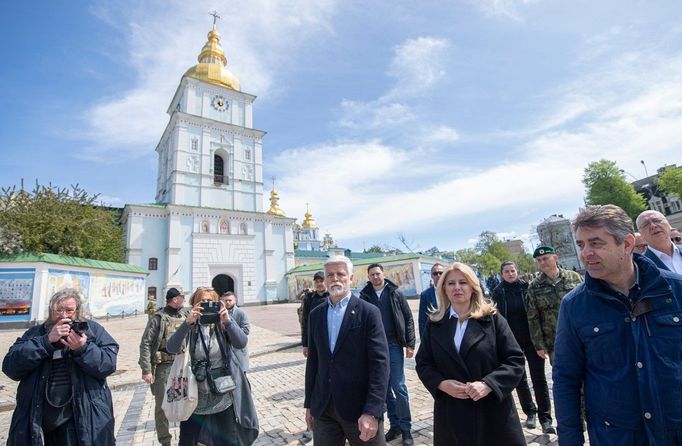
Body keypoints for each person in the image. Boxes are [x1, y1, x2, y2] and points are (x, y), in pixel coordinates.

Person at [553, 204, 682, 445]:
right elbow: (565, 379)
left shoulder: (676, 290)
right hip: (617, 437)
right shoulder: (574, 306)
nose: (585, 253)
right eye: (581, 245)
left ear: (627, 244)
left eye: (596, 243)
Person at [415, 262, 526, 445]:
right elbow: (424, 363)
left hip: (491, 410)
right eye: (451, 283)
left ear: (473, 286)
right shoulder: (435, 323)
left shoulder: (492, 319)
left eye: (463, 282)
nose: (457, 287)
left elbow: (515, 360)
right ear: (443, 288)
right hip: (452, 412)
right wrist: (441, 384)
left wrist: (488, 384)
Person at [3, 288, 119, 446]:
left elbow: (108, 365)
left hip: (83, 418)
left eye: (69, 310)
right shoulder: (35, 334)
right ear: (51, 310)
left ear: (77, 311)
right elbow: (11, 367)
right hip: (40, 420)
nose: (64, 316)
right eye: (58, 310)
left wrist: (83, 348)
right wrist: (46, 341)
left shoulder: (93, 331)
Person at [304, 255, 389, 446]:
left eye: (340, 274)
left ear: (350, 278)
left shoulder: (369, 312)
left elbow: (380, 364)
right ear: (324, 280)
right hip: (324, 408)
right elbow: (314, 362)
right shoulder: (316, 314)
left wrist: (372, 411)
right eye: (330, 275)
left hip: (360, 409)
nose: (335, 278)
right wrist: (310, 404)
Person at [166, 287, 258, 446]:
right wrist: (188, 323)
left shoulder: (223, 322)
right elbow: (172, 347)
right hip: (195, 396)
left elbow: (241, 342)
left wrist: (227, 322)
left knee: (227, 440)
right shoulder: (190, 324)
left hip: (222, 393)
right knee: (188, 440)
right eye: (202, 302)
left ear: (217, 304)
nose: (207, 305)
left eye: (210, 302)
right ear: (194, 304)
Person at [491, 260, 551, 431]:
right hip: (512, 342)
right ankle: (530, 412)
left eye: (512, 270)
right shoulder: (498, 292)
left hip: (533, 339)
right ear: (501, 274)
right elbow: (496, 317)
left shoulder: (528, 287)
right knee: (520, 379)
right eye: (507, 271)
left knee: (539, 378)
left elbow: (538, 312)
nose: (510, 274)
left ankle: (545, 417)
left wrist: (542, 339)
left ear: (517, 271)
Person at [360, 263, 416, 446]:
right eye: (372, 275)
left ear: (383, 274)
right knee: (383, 390)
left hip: (393, 345)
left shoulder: (395, 293)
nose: (375, 277)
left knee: (398, 386)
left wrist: (410, 343)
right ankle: (395, 425)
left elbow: (408, 318)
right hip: (373, 347)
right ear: (368, 277)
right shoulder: (364, 296)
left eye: (378, 274)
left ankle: (406, 429)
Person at [139, 287, 188, 446]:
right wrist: (147, 370)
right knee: (162, 407)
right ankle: (165, 441)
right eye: (182, 297)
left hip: (182, 365)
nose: (184, 300)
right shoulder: (158, 318)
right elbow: (145, 343)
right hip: (163, 368)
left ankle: (187, 437)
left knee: (185, 403)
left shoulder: (184, 315)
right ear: (175, 300)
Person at [526, 245, 583, 369]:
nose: (542, 262)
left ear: (555, 258)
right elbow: (533, 317)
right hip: (554, 341)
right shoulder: (534, 286)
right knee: (565, 376)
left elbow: (587, 305)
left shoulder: (574, 278)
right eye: (539, 260)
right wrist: (539, 344)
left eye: (545, 258)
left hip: (580, 335)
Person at [299, 271, 329, 357]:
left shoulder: (332, 297)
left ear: (326, 282)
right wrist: (305, 344)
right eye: (317, 282)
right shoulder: (309, 298)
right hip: (314, 339)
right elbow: (305, 322)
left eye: (321, 281)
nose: (319, 284)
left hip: (329, 338)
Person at [220, 291, 251, 372]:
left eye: (230, 300)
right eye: (225, 300)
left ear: (235, 301)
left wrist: (232, 331)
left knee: (241, 374)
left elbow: (246, 330)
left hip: (238, 350)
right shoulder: (219, 314)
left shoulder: (241, 313)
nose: (227, 302)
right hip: (225, 349)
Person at [418, 263, 444, 340]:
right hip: (434, 335)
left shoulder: (452, 291)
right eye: (435, 273)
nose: (438, 275)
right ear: (432, 276)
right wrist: (424, 340)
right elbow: (422, 319)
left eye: (441, 273)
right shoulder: (425, 295)